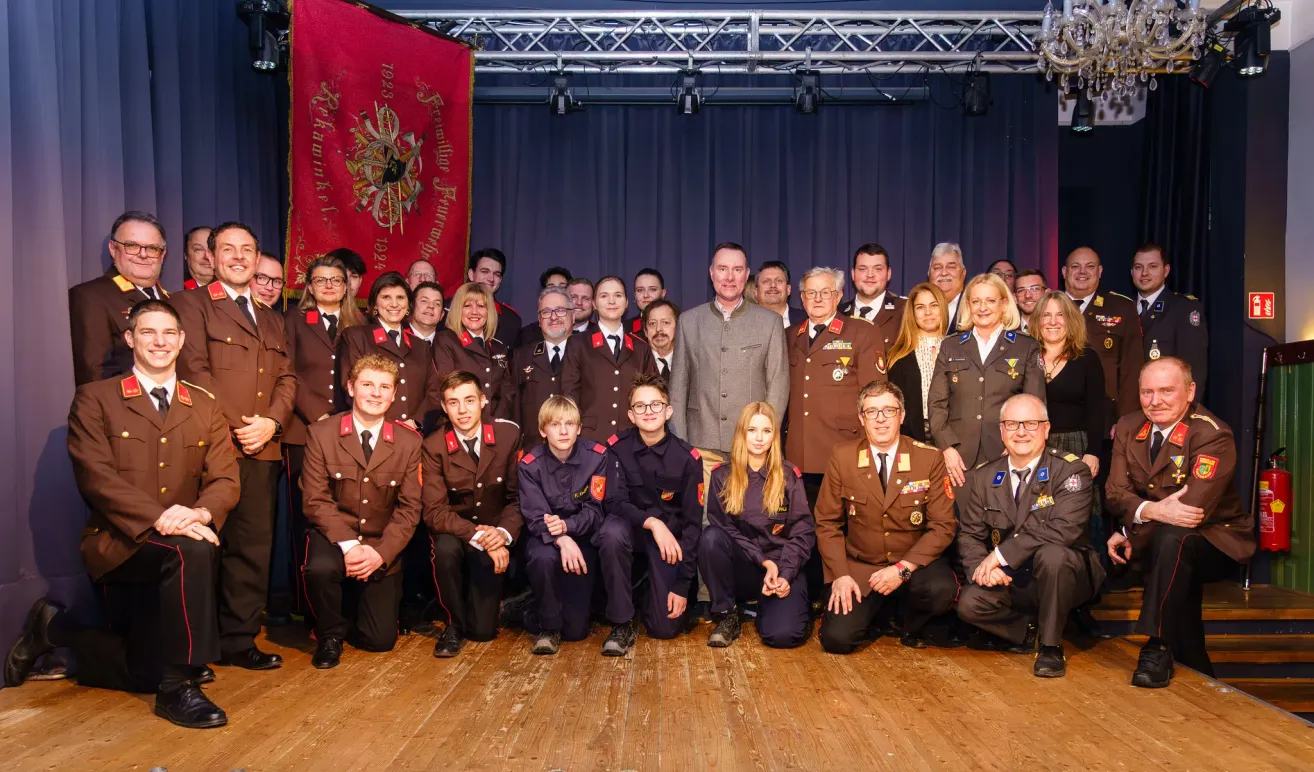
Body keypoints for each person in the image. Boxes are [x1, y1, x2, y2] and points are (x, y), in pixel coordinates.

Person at [6, 300, 238, 728]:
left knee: (145, 671)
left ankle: (55, 630)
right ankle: (179, 685)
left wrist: (201, 513)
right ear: (130, 339)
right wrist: (163, 518)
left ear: (181, 341)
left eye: (168, 333)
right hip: (119, 542)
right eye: (148, 332)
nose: (159, 342)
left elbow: (225, 479)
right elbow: (96, 478)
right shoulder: (96, 398)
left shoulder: (205, 404)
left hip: (179, 541)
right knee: (193, 550)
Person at [173, 221, 295, 670]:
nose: (239, 257)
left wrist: (272, 423)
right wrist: (240, 426)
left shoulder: (272, 317)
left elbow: (287, 377)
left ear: (257, 257)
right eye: (228, 249)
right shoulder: (190, 304)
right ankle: (195, 647)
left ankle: (238, 640)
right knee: (204, 547)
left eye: (247, 249)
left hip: (263, 447)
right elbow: (194, 370)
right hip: (213, 446)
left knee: (252, 548)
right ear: (211, 256)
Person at [1105, 358, 1253, 687]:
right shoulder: (1128, 426)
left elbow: (1190, 512)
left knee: (1175, 540)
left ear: (1190, 392)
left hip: (1217, 540)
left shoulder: (1212, 434)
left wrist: (1131, 531)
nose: (1155, 401)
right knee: (1172, 559)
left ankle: (1156, 645)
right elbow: (1114, 493)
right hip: (1162, 542)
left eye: (1166, 391)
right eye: (1147, 392)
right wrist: (1150, 514)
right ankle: (1198, 669)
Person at [957, 394, 1103, 677]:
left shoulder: (1070, 470)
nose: (1021, 432)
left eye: (1031, 424)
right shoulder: (985, 476)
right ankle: (1032, 629)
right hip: (1015, 576)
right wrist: (982, 568)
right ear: (1002, 431)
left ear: (1046, 429)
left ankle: (1050, 647)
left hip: (1065, 573)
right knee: (970, 605)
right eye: (1012, 424)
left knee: (1053, 555)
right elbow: (969, 535)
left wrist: (1000, 555)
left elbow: (1065, 528)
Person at [815, 381, 958, 653]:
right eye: (872, 412)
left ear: (902, 415)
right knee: (837, 640)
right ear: (861, 418)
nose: (880, 419)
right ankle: (880, 614)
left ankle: (907, 621)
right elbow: (827, 523)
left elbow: (943, 526)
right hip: (863, 567)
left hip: (914, 566)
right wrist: (840, 575)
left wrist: (902, 568)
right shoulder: (843, 457)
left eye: (889, 411)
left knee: (940, 590)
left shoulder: (928, 458)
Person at [300, 355, 423, 668]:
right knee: (320, 568)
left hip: (380, 542)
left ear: (394, 395)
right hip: (334, 537)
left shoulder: (408, 442)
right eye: (368, 384)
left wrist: (381, 553)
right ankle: (329, 634)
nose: (376, 393)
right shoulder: (321, 433)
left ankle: (352, 611)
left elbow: (410, 508)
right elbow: (315, 499)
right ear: (351, 387)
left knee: (379, 641)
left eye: (385, 387)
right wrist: (349, 546)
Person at [595, 375, 703, 655]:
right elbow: (613, 501)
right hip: (631, 532)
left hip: (667, 544)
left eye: (656, 404)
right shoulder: (616, 448)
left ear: (669, 411)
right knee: (610, 532)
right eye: (640, 406)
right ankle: (621, 622)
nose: (648, 412)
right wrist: (652, 522)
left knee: (665, 629)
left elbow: (693, 526)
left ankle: (645, 592)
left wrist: (681, 586)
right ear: (631, 415)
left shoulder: (688, 458)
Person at [284, 255, 365, 616]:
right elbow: (287, 373)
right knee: (307, 517)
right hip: (305, 430)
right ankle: (307, 606)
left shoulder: (360, 323)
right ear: (309, 286)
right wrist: (318, 416)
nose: (329, 286)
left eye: (336, 280)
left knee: (349, 511)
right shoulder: (294, 320)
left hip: (351, 432)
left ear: (347, 286)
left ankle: (350, 602)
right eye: (321, 280)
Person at [422, 371, 522, 657]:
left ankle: (504, 605)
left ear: (483, 401)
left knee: (483, 632)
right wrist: (481, 537)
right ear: (444, 407)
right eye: (453, 403)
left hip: (494, 530)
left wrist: (501, 534)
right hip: (456, 531)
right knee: (444, 549)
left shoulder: (507, 435)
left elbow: (517, 499)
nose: (462, 410)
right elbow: (435, 511)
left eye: (469, 400)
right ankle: (452, 624)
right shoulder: (433, 446)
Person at [670, 242, 789, 482]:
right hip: (701, 445)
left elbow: (778, 387)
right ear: (711, 272)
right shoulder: (689, 321)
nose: (729, 277)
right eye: (723, 269)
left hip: (751, 447)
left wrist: (764, 438)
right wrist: (681, 444)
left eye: (737, 269)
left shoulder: (770, 323)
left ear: (747, 275)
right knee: (704, 508)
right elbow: (678, 389)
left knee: (751, 506)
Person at [698, 402, 814, 648]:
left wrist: (785, 573)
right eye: (752, 430)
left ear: (774, 436)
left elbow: (802, 533)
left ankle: (768, 609)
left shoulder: (789, 475)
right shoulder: (722, 475)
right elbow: (724, 529)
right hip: (744, 568)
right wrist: (763, 560)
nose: (759, 438)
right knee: (710, 537)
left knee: (782, 636)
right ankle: (727, 614)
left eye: (766, 431)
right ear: (742, 433)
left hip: (783, 568)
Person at [517, 396, 618, 655]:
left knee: (575, 632)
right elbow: (535, 517)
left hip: (582, 535)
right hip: (545, 537)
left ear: (579, 428)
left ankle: (536, 607)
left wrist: (568, 526)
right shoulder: (529, 465)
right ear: (543, 430)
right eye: (555, 424)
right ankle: (547, 627)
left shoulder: (597, 457)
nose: (563, 431)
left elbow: (596, 510)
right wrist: (562, 538)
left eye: (570, 424)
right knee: (542, 558)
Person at [929, 273, 1045, 486]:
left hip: (1007, 452)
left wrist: (1016, 445)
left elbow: (1035, 406)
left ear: (1004, 304)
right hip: (959, 459)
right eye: (976, 301)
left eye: (990, 300)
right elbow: (936, 403)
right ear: (968, 305)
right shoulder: (951, 346)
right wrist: (947, 447)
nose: (982, 308)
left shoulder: (1025, 346)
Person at [785, 267, 886, 496]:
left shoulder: (861, 332)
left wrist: (871, 448)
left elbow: (875, 395)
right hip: (798, 454)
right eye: (811, 293)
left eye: (825, 292)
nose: (818, 298)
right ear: (802, 298)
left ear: (838, 296)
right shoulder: (790, 335)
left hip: (843, 449)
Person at [1032, 292, 1108, 541]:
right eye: (1046, 315)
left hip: (1075, 447)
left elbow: (1096, 409)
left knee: (1077, 513)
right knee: (1039, 512)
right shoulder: (1026, 357)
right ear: (1038, 320)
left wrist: (1093, 451)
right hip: (1034, 446)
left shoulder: (1087, 358)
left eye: (1060, 315)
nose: (1053, 322)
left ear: (1071, 320)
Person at [70, 211, 172, 386]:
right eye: (131, 246)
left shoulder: (175, 301)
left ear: (162, 255)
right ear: (113, 248)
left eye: (152, 248)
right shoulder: (91, 296)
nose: (143, 254)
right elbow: (97, 375)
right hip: (125, 401)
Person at [336, 272, 440, 431]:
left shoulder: (420, 345)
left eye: (400, 297)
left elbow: (434, 392)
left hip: (413, 434)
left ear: (408, 305)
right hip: (372, 431)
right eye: (386, 297)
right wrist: (379, 426)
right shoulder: (356, 336)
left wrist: (415, 422)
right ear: (375, 304)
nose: (394, 304)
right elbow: (348, 385)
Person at [562, 276, 657, 441]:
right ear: (594, 304)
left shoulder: (641, 348)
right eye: (604, 296)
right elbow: (570, 396)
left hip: (632, 439)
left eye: (618, 295)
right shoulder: (578, 344)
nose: (612, 301)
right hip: (589, 440)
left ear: (627, 302)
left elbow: (652, 394)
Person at [1063, 247, 1143, 419]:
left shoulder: (1121, 308)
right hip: (1056, 411)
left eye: (1090, 266)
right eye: (1075, 266)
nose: (1082, 272)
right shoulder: (1049, 306)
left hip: (1105, 414)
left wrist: (1126, 419)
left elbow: (1131, 369)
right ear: (1064, 272)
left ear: (1099, 272)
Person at [433, 282, 516, 422]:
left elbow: (507, 393)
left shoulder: (498, 348)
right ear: (458, 310)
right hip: (461, 423)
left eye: (481, 306)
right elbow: (448, 387)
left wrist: (496, 422)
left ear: (489, 311)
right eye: (467, 306)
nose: (474, 312)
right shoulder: (446, 340)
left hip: (494, 425)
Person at [1131, 243, 1208, 394]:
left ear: (1166, 271)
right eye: (1139, 267)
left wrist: (1188, 406)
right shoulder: (1123, 307)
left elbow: (1194, 369)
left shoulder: (1183, 308)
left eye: (1152, 266)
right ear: (1132, 272)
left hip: (1166, 401)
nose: (1144, 273)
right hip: (1129, 403)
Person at [885, 283, 949, 443]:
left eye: (934, 305)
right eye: (920, 307)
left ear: (943, 307)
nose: (928, 312)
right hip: (912, 438)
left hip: (954, 436)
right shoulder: (898, 357)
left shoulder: (960, 349)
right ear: (912, 313)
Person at [513, 287, 573, 433]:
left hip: (577, 444)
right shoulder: (522, 356)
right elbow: (515, 410)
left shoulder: (587, 354)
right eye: (546, 312)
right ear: (539, 320)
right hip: (533, 444)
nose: (553, 317)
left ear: (573, 316)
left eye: (560, 310)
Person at [839, 243, 905, 349]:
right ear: (853, 274)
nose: (870, 275)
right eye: (862, 269)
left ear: (888, 274)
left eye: (878, 269)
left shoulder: (906, 311)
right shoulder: (837, 313)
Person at [466, 248, 522, 346]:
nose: (491, 279)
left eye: (496, 274)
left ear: (500, 280)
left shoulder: (511, 319)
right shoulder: (449, 309)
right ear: (471, 274)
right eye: (484, 271)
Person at [929, 243, 967, 330]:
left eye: (951, 267)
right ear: (929, 274)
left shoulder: (974, 307)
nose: (944, 273)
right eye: (937, 268)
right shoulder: (918, 309)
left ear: (963, 273)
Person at [756, 261, 804, 327]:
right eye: (766, 281)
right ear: (756, 291)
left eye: (779, 281)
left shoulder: (806, 320)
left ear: (788, 289)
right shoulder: (744, 321)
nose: (773, 285)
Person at [644, 299, 679, 380]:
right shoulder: (638, 363)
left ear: (677, 328)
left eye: (665, 322)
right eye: (652, 323)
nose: (658, 329)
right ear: (645, 331)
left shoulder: (689, 362)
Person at [628, 268, 667, 337]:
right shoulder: (624, 328)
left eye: (652, 289)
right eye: (640, 290)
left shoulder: (678, 325)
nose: (646, 295)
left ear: (663, 293)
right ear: (635, 295)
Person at [1014, 269, 1048, 334]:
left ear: (1047, 293)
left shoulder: (1056, 327)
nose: (1028, 295)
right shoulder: (1005, 331)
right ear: (1015, 297)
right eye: (1021, 290)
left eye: (1035, 289)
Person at [182, 226, 214, 290]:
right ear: (186, 255)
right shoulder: (174, 289)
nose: (207, 257)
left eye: (212, 249)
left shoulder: (233, 288)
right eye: (199, 249)